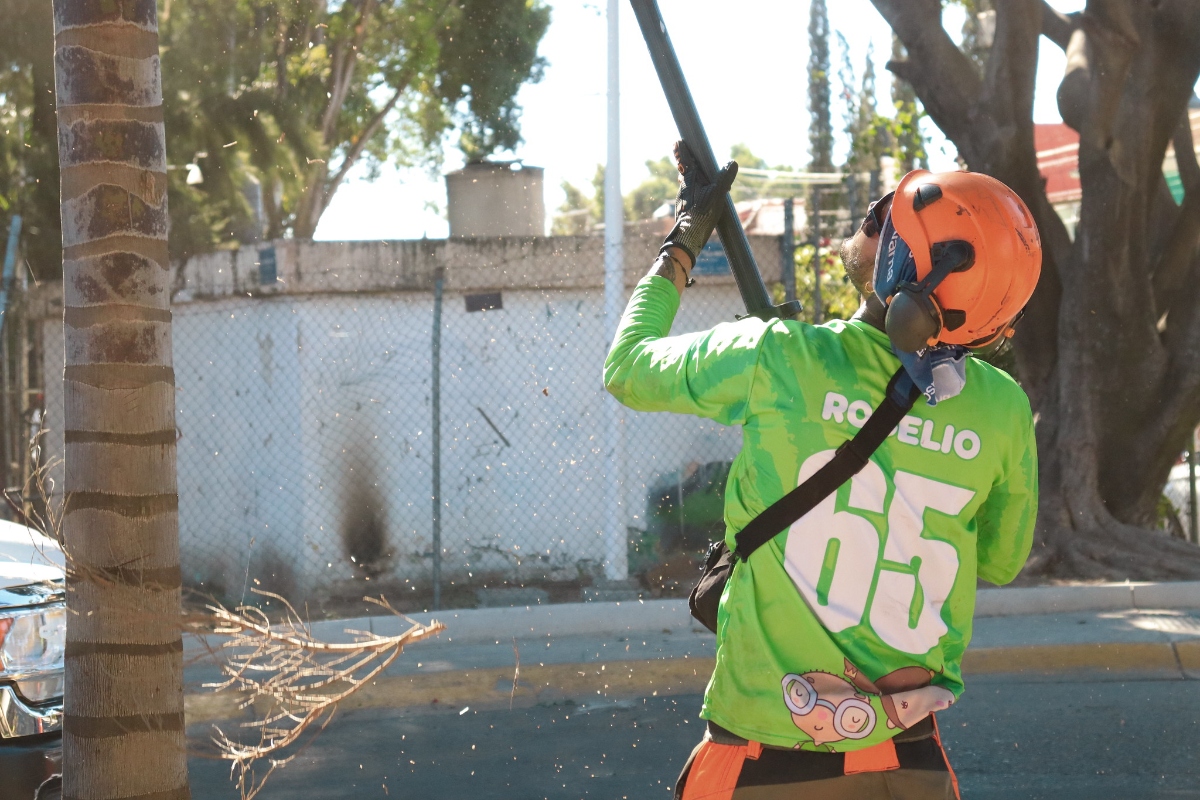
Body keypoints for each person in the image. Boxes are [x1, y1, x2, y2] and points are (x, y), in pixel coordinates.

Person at [604, 141, 1041, 800]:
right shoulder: (1003, 409)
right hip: (910, 765)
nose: (875, 221)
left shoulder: (777, 357)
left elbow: (628, 367)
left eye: (887, 217)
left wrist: (683, 240)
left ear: (899, 259)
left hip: (764, 763)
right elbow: (1000, 561)